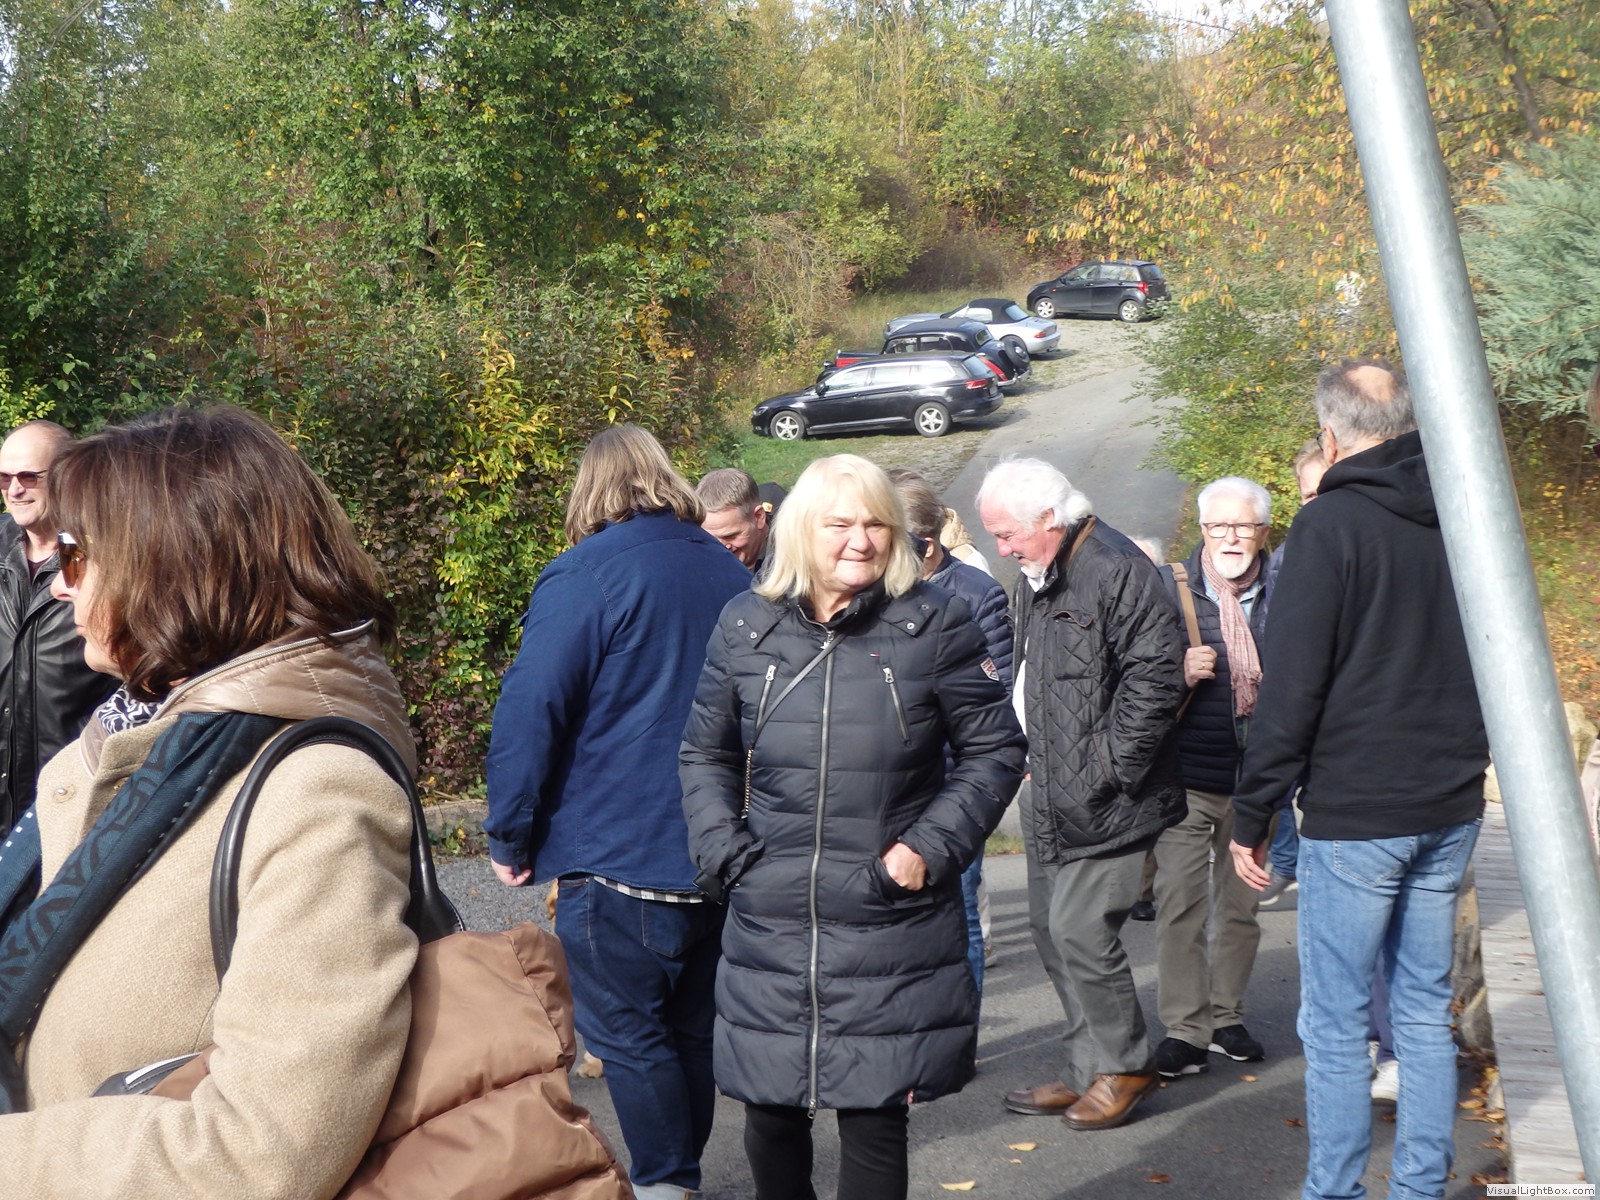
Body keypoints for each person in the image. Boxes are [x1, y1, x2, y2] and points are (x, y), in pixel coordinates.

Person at [0, 405, 419, 1197]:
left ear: (173, 565)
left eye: (79, 555)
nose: (58, 583)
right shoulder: (141, 737)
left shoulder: (316, 793)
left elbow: (265, 1149)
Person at [680, 454, 1025, 1200]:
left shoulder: (935, 622)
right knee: (771, 1114)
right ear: (803, 529)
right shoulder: (745, 624)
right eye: (840, 524)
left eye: (875, 524)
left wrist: (924, 850)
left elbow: (996, 751)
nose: (861, 540)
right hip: (771, 916)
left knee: (874, 1118)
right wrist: (723, 850)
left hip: (887, 917)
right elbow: (704, 752)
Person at [1230, 358, 1488, 1200]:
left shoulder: (1330, 526)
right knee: (1420, 1009)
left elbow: (1291, 690)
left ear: (1331, 437)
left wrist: (1253, 813)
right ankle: (1417, 1188)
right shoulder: (1467, 509)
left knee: (1337, 1024)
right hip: (1449, 802)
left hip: (1359, 812)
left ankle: (1334, 1191)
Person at [486, 426, 750, 1200]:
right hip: (718, 843)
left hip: (618, 849)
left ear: (589, 489)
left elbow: (532, 705)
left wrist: (509, 832)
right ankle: (679, 1178)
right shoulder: (727, 568)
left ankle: (667, 1184)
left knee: (630, 1036)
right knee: (690, 1029)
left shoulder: (585, 573)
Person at [978, 457, 1186, 1132]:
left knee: (1079, 930)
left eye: (1007, 534)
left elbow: (1156, 680)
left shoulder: (1116, 567)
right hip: (1050, 788)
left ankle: (1126, 1065)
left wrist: (1106, 770)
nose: (1002, 549)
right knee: (1049, 931)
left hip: (1108, 797)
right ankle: (1085, 1068)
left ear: (1048, 517)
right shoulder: (1040, 572)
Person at [1151, 476, 1274, 1080]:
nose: (1230, 537)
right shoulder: (1167, 588)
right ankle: (1185, 1029)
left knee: (1241, 909)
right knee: (1180, 905)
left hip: (1258, 783)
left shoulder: (1289, 589)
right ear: (1201, 530)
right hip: (1186, 779)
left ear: (1263, 532)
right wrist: (1178, 671)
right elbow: (1130, 676)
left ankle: (1227, 1017)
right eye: (1218, 526)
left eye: (1242, 525)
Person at [889, 468, 1013, 1004]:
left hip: (949, 785)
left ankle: (962, 1030)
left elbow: (993, 703)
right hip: (885, 783)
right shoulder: (872, 589)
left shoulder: (976, 593)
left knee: (958, 913)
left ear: (926, 543)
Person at [0, 420, 117, 839]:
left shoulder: (99, 558)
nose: (15, 490)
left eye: (29, 476)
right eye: (4, 478)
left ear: (67, 474)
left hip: (72, 798)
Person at [1259, 437, 1328, 906]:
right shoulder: (1289, 557)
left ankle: (1296, 866)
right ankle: (1288, 861)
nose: (1317, 504)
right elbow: (1277, 640)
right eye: (1308, 495)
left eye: (1325, 490)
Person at [697, 467, 774, 572]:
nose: (720, 548)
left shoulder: (790, 555)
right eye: (711, 539)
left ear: (759, 517)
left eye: (730, 537)